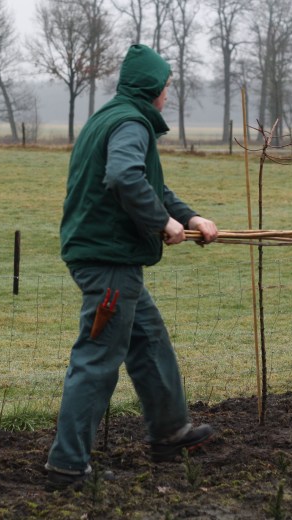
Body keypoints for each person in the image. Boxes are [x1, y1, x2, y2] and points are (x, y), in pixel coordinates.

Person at [45, 44, 219, 489]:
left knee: (149, 341)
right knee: (97, 358)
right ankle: (67, 466)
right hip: (108, 262)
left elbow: (148, 183)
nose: (167, 95)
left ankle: (170, 433)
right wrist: (162, 222)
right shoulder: (131, 123)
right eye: (166, 87)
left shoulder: (111, 117)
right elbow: (124, 176)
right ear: (152, 88)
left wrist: (189, 218)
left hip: (112, 259)